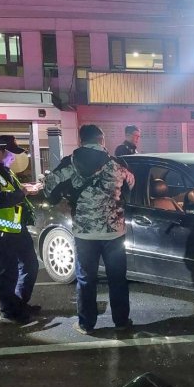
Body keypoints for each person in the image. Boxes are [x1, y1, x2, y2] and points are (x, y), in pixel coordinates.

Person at [44, 124, 135, 335]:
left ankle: (86, 324)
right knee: (117, 279)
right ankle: (121, 321)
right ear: (101, 140)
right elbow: (130, 188)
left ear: (81, 140)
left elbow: (50, 191)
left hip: (84, 233)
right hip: (114, 232)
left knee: (86, 278)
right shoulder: (118, 164)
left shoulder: (68, 163)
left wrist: (66, 197)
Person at [0, 135, 42, 324]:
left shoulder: (4, 169)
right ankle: (8, 311)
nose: (14, 158)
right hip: (1, 228)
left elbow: (11, 191)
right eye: (11, 154)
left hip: (15, 225)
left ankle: (18, 304)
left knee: (30, 264)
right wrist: (22, 193)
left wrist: (26, 188)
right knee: (8, 271)